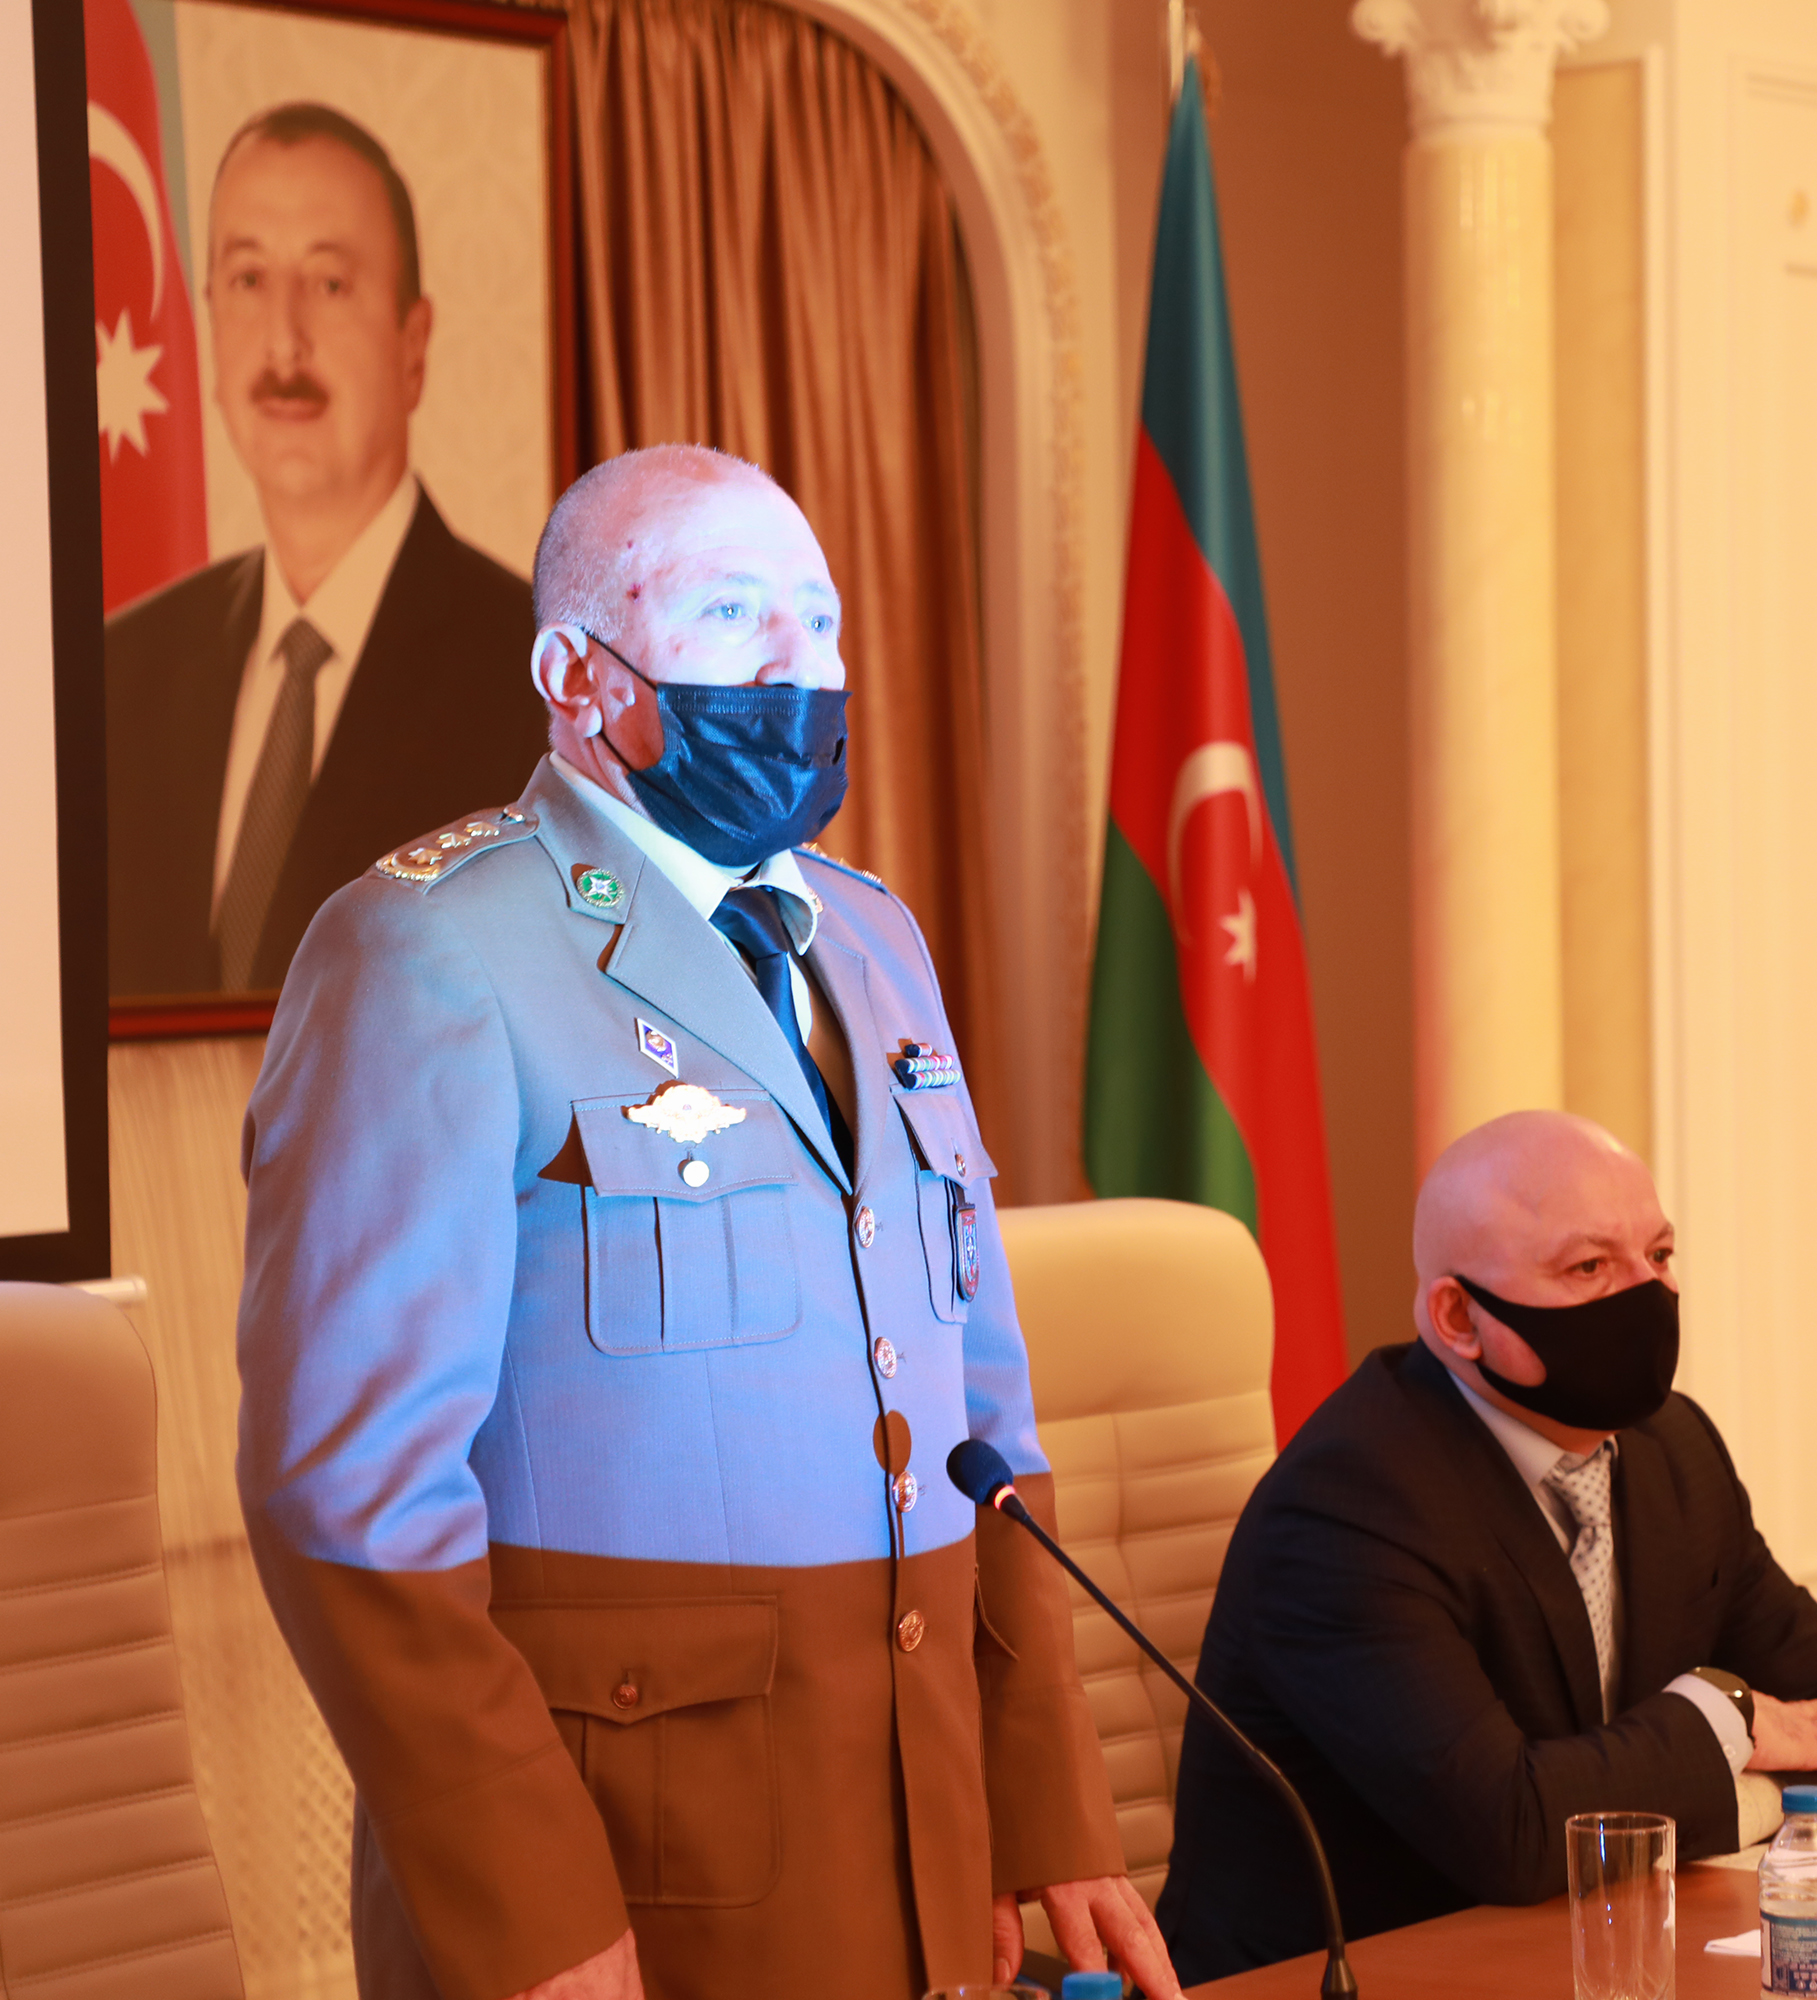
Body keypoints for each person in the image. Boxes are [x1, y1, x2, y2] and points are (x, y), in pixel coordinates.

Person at [236, 444, 1182, 2000]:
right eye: (733, 614)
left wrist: (1046, 1806)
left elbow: (981, 1417)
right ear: (575, 674)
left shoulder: (872, 939)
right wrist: (529, 1907)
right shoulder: (425, 950)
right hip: (622, 1874)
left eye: (820, 619)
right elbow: (353, 1497)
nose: (797, 666)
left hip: (924, 1840)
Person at [1156, 1109, 1817, 1982]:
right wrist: (1730, 1719)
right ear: (1458, 1317)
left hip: (1581, 1952)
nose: (1646, 1293)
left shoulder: (1675, 1452)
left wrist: (1726, 1800)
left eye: (1659, 1255)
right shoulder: (1348, 1505)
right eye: (1589, 1268)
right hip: (1340, 1976)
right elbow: (1511, 1833)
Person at [105, 101, 545, 997]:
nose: (283, 341)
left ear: (413, 344)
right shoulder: (120, 671)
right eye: (248, 280)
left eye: (330, 284)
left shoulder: (538, 679)